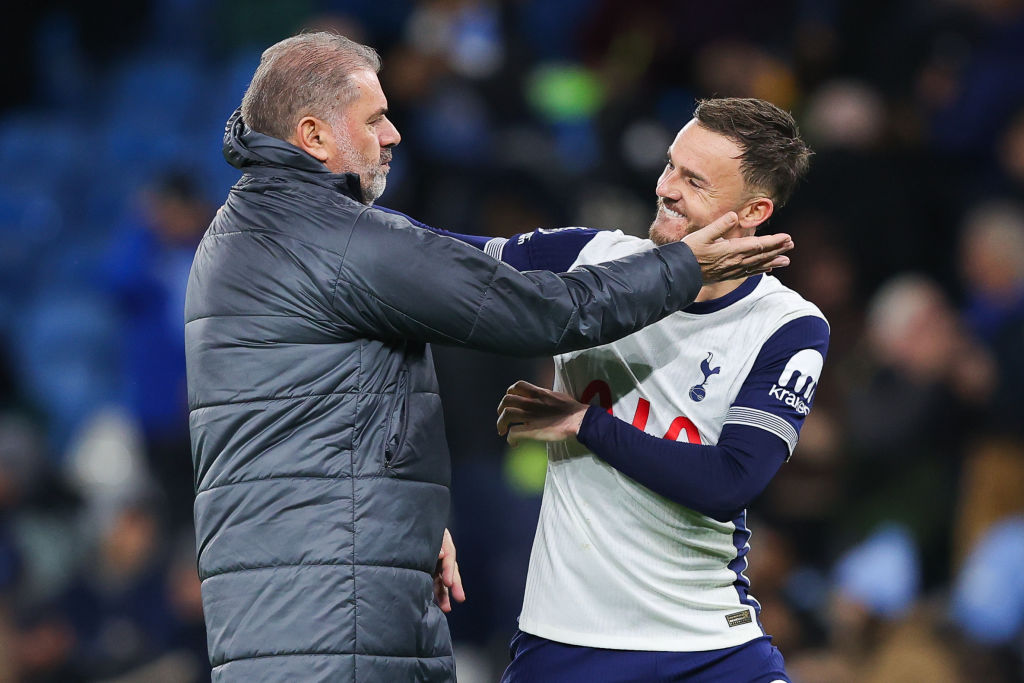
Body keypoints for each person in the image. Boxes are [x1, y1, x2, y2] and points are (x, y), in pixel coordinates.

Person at [184, 34, 793, 682]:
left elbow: (309, 418)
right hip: (330, 623)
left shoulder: (246, 232)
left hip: (310, 597)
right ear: (313, 135)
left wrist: (404, 522)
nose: (392, 135)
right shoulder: (337, 243)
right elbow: (543, 311)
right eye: (374, 119)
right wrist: (681, 267)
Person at [484, 98, 826, 682]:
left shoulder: (786, 326)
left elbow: (729, 481)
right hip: (569, 641)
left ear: (753, 210)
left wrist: (584, 422)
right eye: (671, 165)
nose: (666, 187)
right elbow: (438, 258)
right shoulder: (589, 260)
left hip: (710, 645)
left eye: (694, 180)